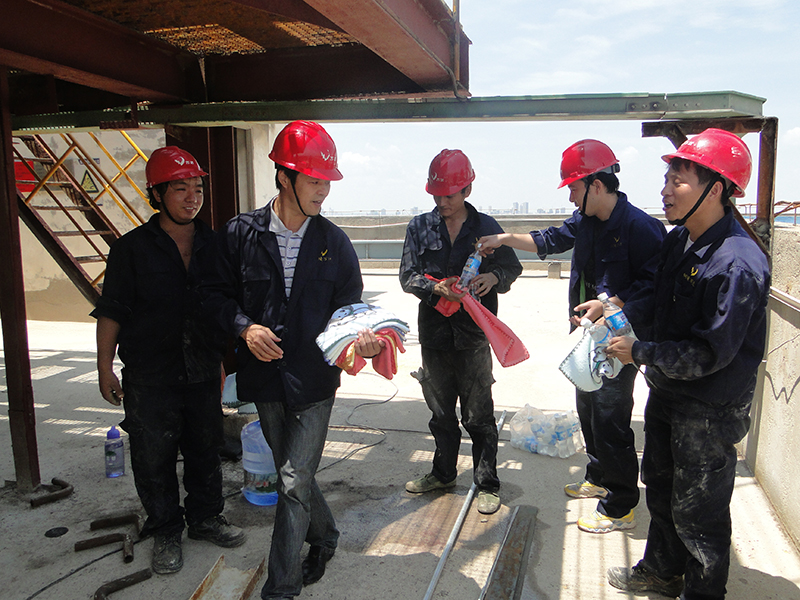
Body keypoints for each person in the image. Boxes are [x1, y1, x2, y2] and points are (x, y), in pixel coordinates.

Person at [201, 121, 382, 599]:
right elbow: (212, 296)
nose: (323, 191)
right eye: (314, 180)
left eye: (327, 181)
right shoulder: (239, 234)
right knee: (292, 473)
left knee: (294, 479)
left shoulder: (334, 243)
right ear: (284, 177)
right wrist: (245, 327)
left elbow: (349, 310)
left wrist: (362, 341)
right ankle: (325, 536)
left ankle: (280, 587)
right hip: (264, 379)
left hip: (315, 380)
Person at [601, 128, 770, 600]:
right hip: (670, 390)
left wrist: (639, 352)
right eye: (667, 178)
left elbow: (709, 354)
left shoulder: (736, 264)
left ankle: (702, 593)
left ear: (715, 190)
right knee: (660, 485)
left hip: (709, 407)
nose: (665, 190)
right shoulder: (681, 241)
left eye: (678, 180)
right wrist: (614, 311)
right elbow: (656, 300)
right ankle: (662, 571)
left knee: (699, 512)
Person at [479, 139, 665, 533]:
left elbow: (655, 286)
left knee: (611, 417)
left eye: (574, 188)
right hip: (591, 335)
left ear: (596, 185)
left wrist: (611, 303)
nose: (570, 198)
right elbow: (548, 240)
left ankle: (620, 506)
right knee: (589, 408)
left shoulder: (641, 228)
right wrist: (504, 239)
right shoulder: (586, 221)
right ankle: (598, 477)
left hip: (621, 339)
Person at [92, 146, 246, 575]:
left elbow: (226, 303)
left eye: (197, 188)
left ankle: (205, 518)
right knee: (153, 455)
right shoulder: (130, 250)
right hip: (150, 373)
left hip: (202, 367)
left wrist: (222, 360)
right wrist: (104, 366)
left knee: (205, 448)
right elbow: (112, 311)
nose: (192, 198)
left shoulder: (215, 245)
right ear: (157, 194)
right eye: (180, 189)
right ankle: (164, 530)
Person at [400, 149, 522, 515]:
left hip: (473, 337)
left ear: (467, 190)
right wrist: (436, 288)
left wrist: (493, 277)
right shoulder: (419, 227)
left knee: (479, 416)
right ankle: (443, 474)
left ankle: (487, 483)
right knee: (440, 414)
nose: (442, 202)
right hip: (435, 335)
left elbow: (512, 267)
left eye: (449, 195)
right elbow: (408, 276)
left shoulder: (487, 228)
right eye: (436, 195)